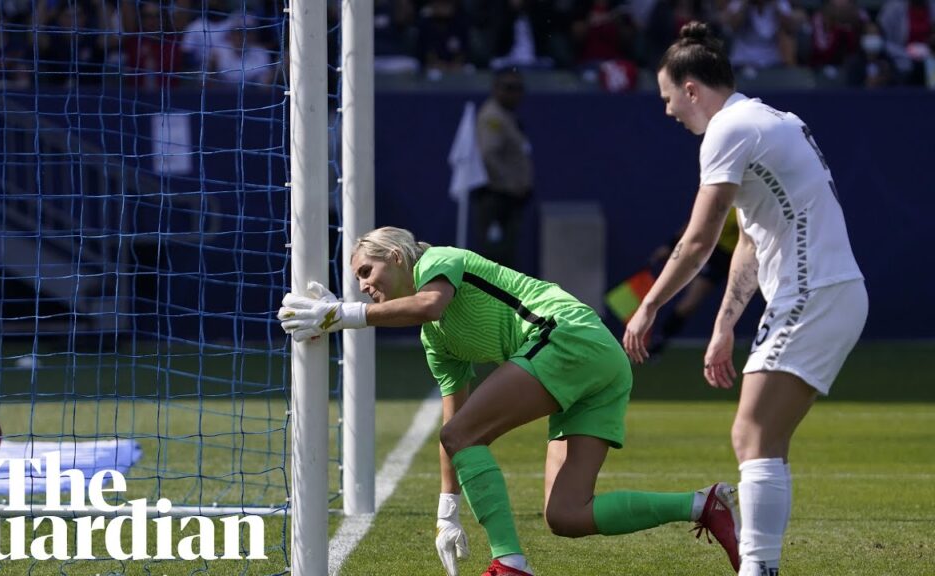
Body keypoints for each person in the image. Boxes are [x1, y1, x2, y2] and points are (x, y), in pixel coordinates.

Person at [279, 226, 740, 576]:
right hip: (600, 364)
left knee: (464, 436)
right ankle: (704, 505)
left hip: (566, 337)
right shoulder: (435, 341)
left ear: (397, 256)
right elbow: (453, 415)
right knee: (566, 514)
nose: (362, 284)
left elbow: (430, 305)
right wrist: (447, 509)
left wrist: (343, 315)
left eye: (366, 271)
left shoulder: (438, 260)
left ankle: (509, 565)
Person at [624, 21, 867, 576]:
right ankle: (762, 567)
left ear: (691, 88)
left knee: (751, 433)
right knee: (764, 438)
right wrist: (723, 325)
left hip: (816, 292)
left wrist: (650, 305)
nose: (668, 112)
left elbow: (698, 239)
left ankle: (758, 569)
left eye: (668, 98)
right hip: (829, 292)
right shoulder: (772, 120)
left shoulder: (728, 129)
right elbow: (749, 240)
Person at [646, 208, 742, 357]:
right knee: (688, 304)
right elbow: (695, 225)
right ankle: (659, 342)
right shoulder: (726, 195)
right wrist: (670, 246)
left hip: (748, 258)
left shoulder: (762, 199)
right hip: (719, 255)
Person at [473, 68, 533, 271]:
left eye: (518, 88)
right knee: (496, 256)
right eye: (508, 87)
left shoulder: (507, 116)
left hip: (509, 199)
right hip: (497, 198)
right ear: (495, 88)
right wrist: (511, 184)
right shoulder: (493, 117)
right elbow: (488, 155)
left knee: (507, 255)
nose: (514, 93)